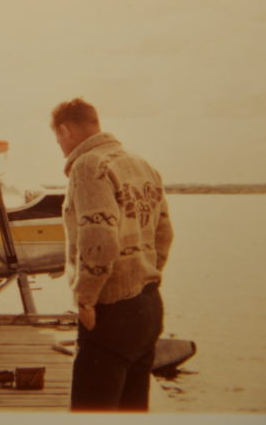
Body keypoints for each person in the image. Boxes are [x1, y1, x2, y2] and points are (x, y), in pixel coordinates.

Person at [50, 97, 174, 412]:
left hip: (111, 311)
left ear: (65, 130)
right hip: (148, 306)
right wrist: (146, 272)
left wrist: (87, 298)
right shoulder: (141, 164)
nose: (60, 147)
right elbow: (165, 234)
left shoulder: (89, 165)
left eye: (58, 139)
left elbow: (100, 238)